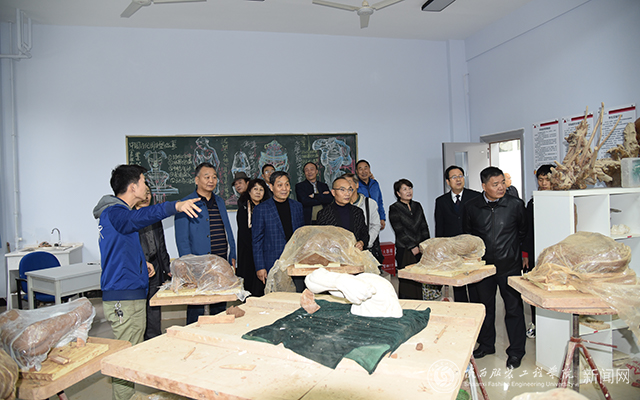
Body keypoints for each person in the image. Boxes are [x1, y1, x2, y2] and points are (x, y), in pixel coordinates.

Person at [92, 164, 200, 400]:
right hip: (124, 296)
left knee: (131, 350)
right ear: (133, 187)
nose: (146, 186)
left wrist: (142, 262)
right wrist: (175, 206)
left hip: (128, 292)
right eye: (143, 181)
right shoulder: (116, 212)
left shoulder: (117, 214)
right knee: (126, 357)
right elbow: (139, 218)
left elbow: (120, 247)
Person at [463, 166, 527, 369]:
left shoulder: (515, 205)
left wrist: (519, 254)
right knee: (485, 307)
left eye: (502, 183)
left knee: (514, 309)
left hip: (510, 266)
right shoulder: (472, 207)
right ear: (484, 186)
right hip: (484, 268)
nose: (501, 187)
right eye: (495, 184)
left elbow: (523, 232)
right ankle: (486, 345)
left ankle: (516, 352)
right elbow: (468, 236)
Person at [175, 162, 236, 325]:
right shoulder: (185, 203)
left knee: (220, 305)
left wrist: (232, 254)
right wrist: (187, 266)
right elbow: (182, 239)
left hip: (220, 262)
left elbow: (227, 229)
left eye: (214, 177)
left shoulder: (220, 201)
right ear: (197, 180)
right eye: (206, 177)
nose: (211, 180)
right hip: (198, 266)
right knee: (196, 306)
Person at [434, 165, 481, 302]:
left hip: (471, 247)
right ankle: (462, 306)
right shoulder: (441, 201)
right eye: (454, 177)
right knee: (458, 282)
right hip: (452, 249)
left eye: (460, 176)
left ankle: (475, 308)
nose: (458, 179)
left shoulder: (475, 197)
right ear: (448, 182)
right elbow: (440, 227)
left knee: (473, 281)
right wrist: (441, 250)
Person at [252, 171, 305, 291]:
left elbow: (301, 236)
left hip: (294, 261)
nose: (284, 188)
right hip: (273, 262)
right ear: (271, 187)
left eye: (287, 184)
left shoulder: (297, 207)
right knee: (276, 297)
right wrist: (260, 267)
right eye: (280, 185)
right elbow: (257, 241)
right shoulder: (261, 209)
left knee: (297, 295)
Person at [134, 183, 171, 340]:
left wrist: (167, 268)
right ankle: (140, 339)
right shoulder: (130, 218)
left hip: (155, 266)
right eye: (145, 192)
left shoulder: (154, 217)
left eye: (149, 193)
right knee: (140, 307)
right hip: (138, 268)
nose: (147, 196)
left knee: (154, 306)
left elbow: (161, 245)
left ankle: (154, 338)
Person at [521, 164, 554, 339]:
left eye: (547, 179)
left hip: (555, 254)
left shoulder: (562, 199)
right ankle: (535, 323)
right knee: (535, 289)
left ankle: (555, 327)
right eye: (540, 180)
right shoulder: (533, 202)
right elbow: (527, 231)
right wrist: (525, 255)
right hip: (536, 253)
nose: (544, 183)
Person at [388, 178, 431, 300]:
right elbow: (399, 230)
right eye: (405, 189)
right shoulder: (394, 208)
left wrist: (425, 244)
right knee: (408, 281)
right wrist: (412, 246)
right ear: (398, 193)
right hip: (405, 249)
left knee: (421, 278)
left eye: (410, 188)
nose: (408, 191)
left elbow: (424, 226)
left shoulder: (417, 206)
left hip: (421, 248)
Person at [236, 179, 271, 297]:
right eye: (255, 189)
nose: (258, 192)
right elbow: (244, 233)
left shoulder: (268, 208)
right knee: (250, 285)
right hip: (248, 251)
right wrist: (255, 249)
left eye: (261, 189)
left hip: (264, 251)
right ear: (249, 191)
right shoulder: (243, 209)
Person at [317, 176, 369, 251]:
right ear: (333, 192)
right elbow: (321, 240)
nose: (347, 193)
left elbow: (364, 234)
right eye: (342, 190)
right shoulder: (324, 214)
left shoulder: (358, 212)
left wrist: (361, 243)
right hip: (334, 256)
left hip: (355, 254)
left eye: (349, 189)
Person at [342, 173, 384, 263]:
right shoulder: (339, 206)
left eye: (349, 182)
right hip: (345, 253)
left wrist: (365, 243)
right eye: (343, 184)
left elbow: (375, 226)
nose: (347, 186)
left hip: (366, 251)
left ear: (357, 185)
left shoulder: (370, 203)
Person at [356, 159, 386, 231]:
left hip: (375, 219)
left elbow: (380, 201)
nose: (363, 171)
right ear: (357, 172)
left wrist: (382, 218)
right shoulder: (355, 186)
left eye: (365, 168)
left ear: (369, 170)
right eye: (360, 169)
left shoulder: (375, 184)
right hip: (361, 220)